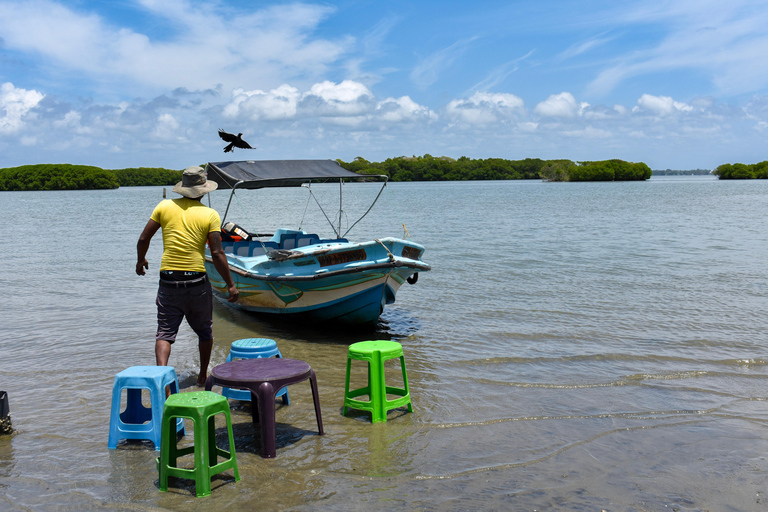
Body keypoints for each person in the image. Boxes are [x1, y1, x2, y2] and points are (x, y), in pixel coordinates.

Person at [136, 166, 239, 387]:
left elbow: (144, 238)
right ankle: (202, 377)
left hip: (168, 280)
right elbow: (217, 253)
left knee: (164, 334)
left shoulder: (164, 207)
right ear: (203, 190)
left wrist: (141, 260)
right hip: (196, 282)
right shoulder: (210, 215)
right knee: (205, 332)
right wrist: (230, 284)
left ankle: (162, 382)